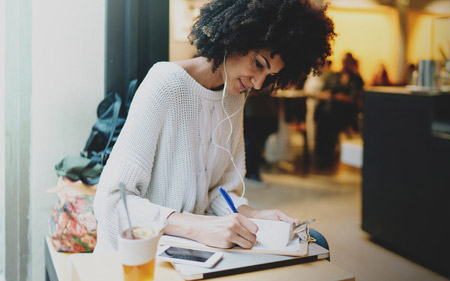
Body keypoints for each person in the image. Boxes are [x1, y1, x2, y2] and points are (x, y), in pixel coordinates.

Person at [93, 0, 336, 253]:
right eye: (258, 64)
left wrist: (254, 215)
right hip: (142, 255)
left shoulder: (233, 99)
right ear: (236, 39)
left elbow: (216, 191)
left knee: (315, 242)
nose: (257, 84)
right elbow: (110, 203)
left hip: (190, 252)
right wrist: (197, 227)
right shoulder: (165, 84)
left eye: (270, 75)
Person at [314, 52, 364, 168]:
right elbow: (322, 93)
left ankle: (324, 152)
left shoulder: (355, 79)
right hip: (330, 111)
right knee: (326, 113)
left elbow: (354, 98)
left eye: (348, 62)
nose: (345, 64)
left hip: (346, 112)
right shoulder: (333, 76)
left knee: (328, 115)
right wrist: (330, 96)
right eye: (344, 61)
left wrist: (340, 97)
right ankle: (322, 152)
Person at [243, 86, 278, 184]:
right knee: (252, 144)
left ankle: (252, 171)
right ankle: (250, 172)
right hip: (254, 112)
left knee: (258, 144)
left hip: (265, 112)